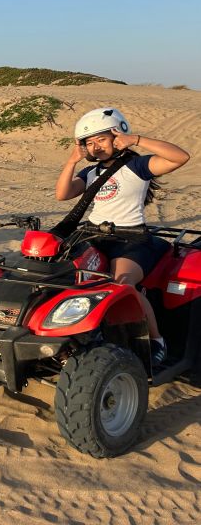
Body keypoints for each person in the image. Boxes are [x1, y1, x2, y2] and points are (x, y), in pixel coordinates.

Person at [55, 107, 190, 365]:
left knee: (122, 285)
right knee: (62, 277)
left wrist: (136, 140)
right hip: (91, 236)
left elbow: (180, 157)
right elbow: (63, 194)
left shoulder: (137, 166)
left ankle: (155, 339)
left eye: (101, 140)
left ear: (117, 135)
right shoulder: (90, 173)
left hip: (129, 239)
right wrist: (72, 161)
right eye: (89, 142)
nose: (95, 147)